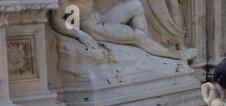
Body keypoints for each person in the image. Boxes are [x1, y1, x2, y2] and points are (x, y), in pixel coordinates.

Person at [51, 0, 197, 60]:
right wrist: (79, 34)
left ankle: (145, 48)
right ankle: (175, 55)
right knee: (138, 37)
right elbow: (57, 20)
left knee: (136, 5)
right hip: (94, 28)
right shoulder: (66, 3)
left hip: (99, 17)